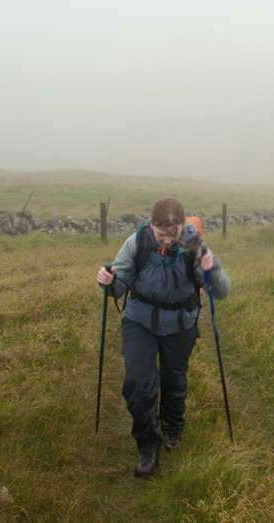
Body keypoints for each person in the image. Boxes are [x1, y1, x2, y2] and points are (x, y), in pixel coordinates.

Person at [95, 197, 231, 477]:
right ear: (150, 224)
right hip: (139, 321)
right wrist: (106, 281)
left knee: (174, 380)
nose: (168, 240)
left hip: (180, 325)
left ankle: (172, 428)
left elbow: (221, 290)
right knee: (137, 382)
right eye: (161, 234)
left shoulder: (195, 246)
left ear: (183, 226)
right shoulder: (137, 243)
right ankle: (148, 445)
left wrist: (213, 268)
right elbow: (118, 287)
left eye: (174, 234)